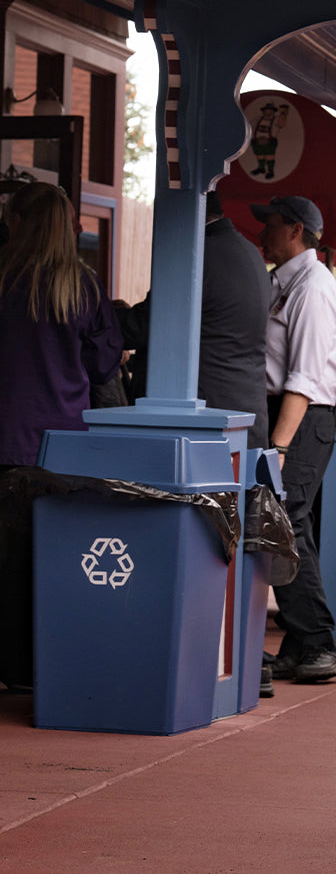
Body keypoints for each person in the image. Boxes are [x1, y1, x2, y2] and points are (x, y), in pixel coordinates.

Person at [0, 182, 122, 692]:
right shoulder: (84, 287)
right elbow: (103, 363)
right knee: (53, 561)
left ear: (18, 224)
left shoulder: (3, 281)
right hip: (65, 447)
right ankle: (41, 668)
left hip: (4, 441)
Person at [254, 195, 336, 685]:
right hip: (293, 417)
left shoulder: (312, 288)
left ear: (294, 230)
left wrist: (279, 445)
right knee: (294, 527)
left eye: (269, 225)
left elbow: (306, 377)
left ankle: (318, 643)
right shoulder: (285, 283)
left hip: (301, 418)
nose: (262, 234)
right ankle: (300, 642)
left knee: (283, 524)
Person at [118, 192, 273, 447]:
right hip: (241, 410)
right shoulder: (248, 251)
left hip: (202, 419)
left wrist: (96, 315)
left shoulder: (198, 256)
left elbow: (149, 325)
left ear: (180, 213)